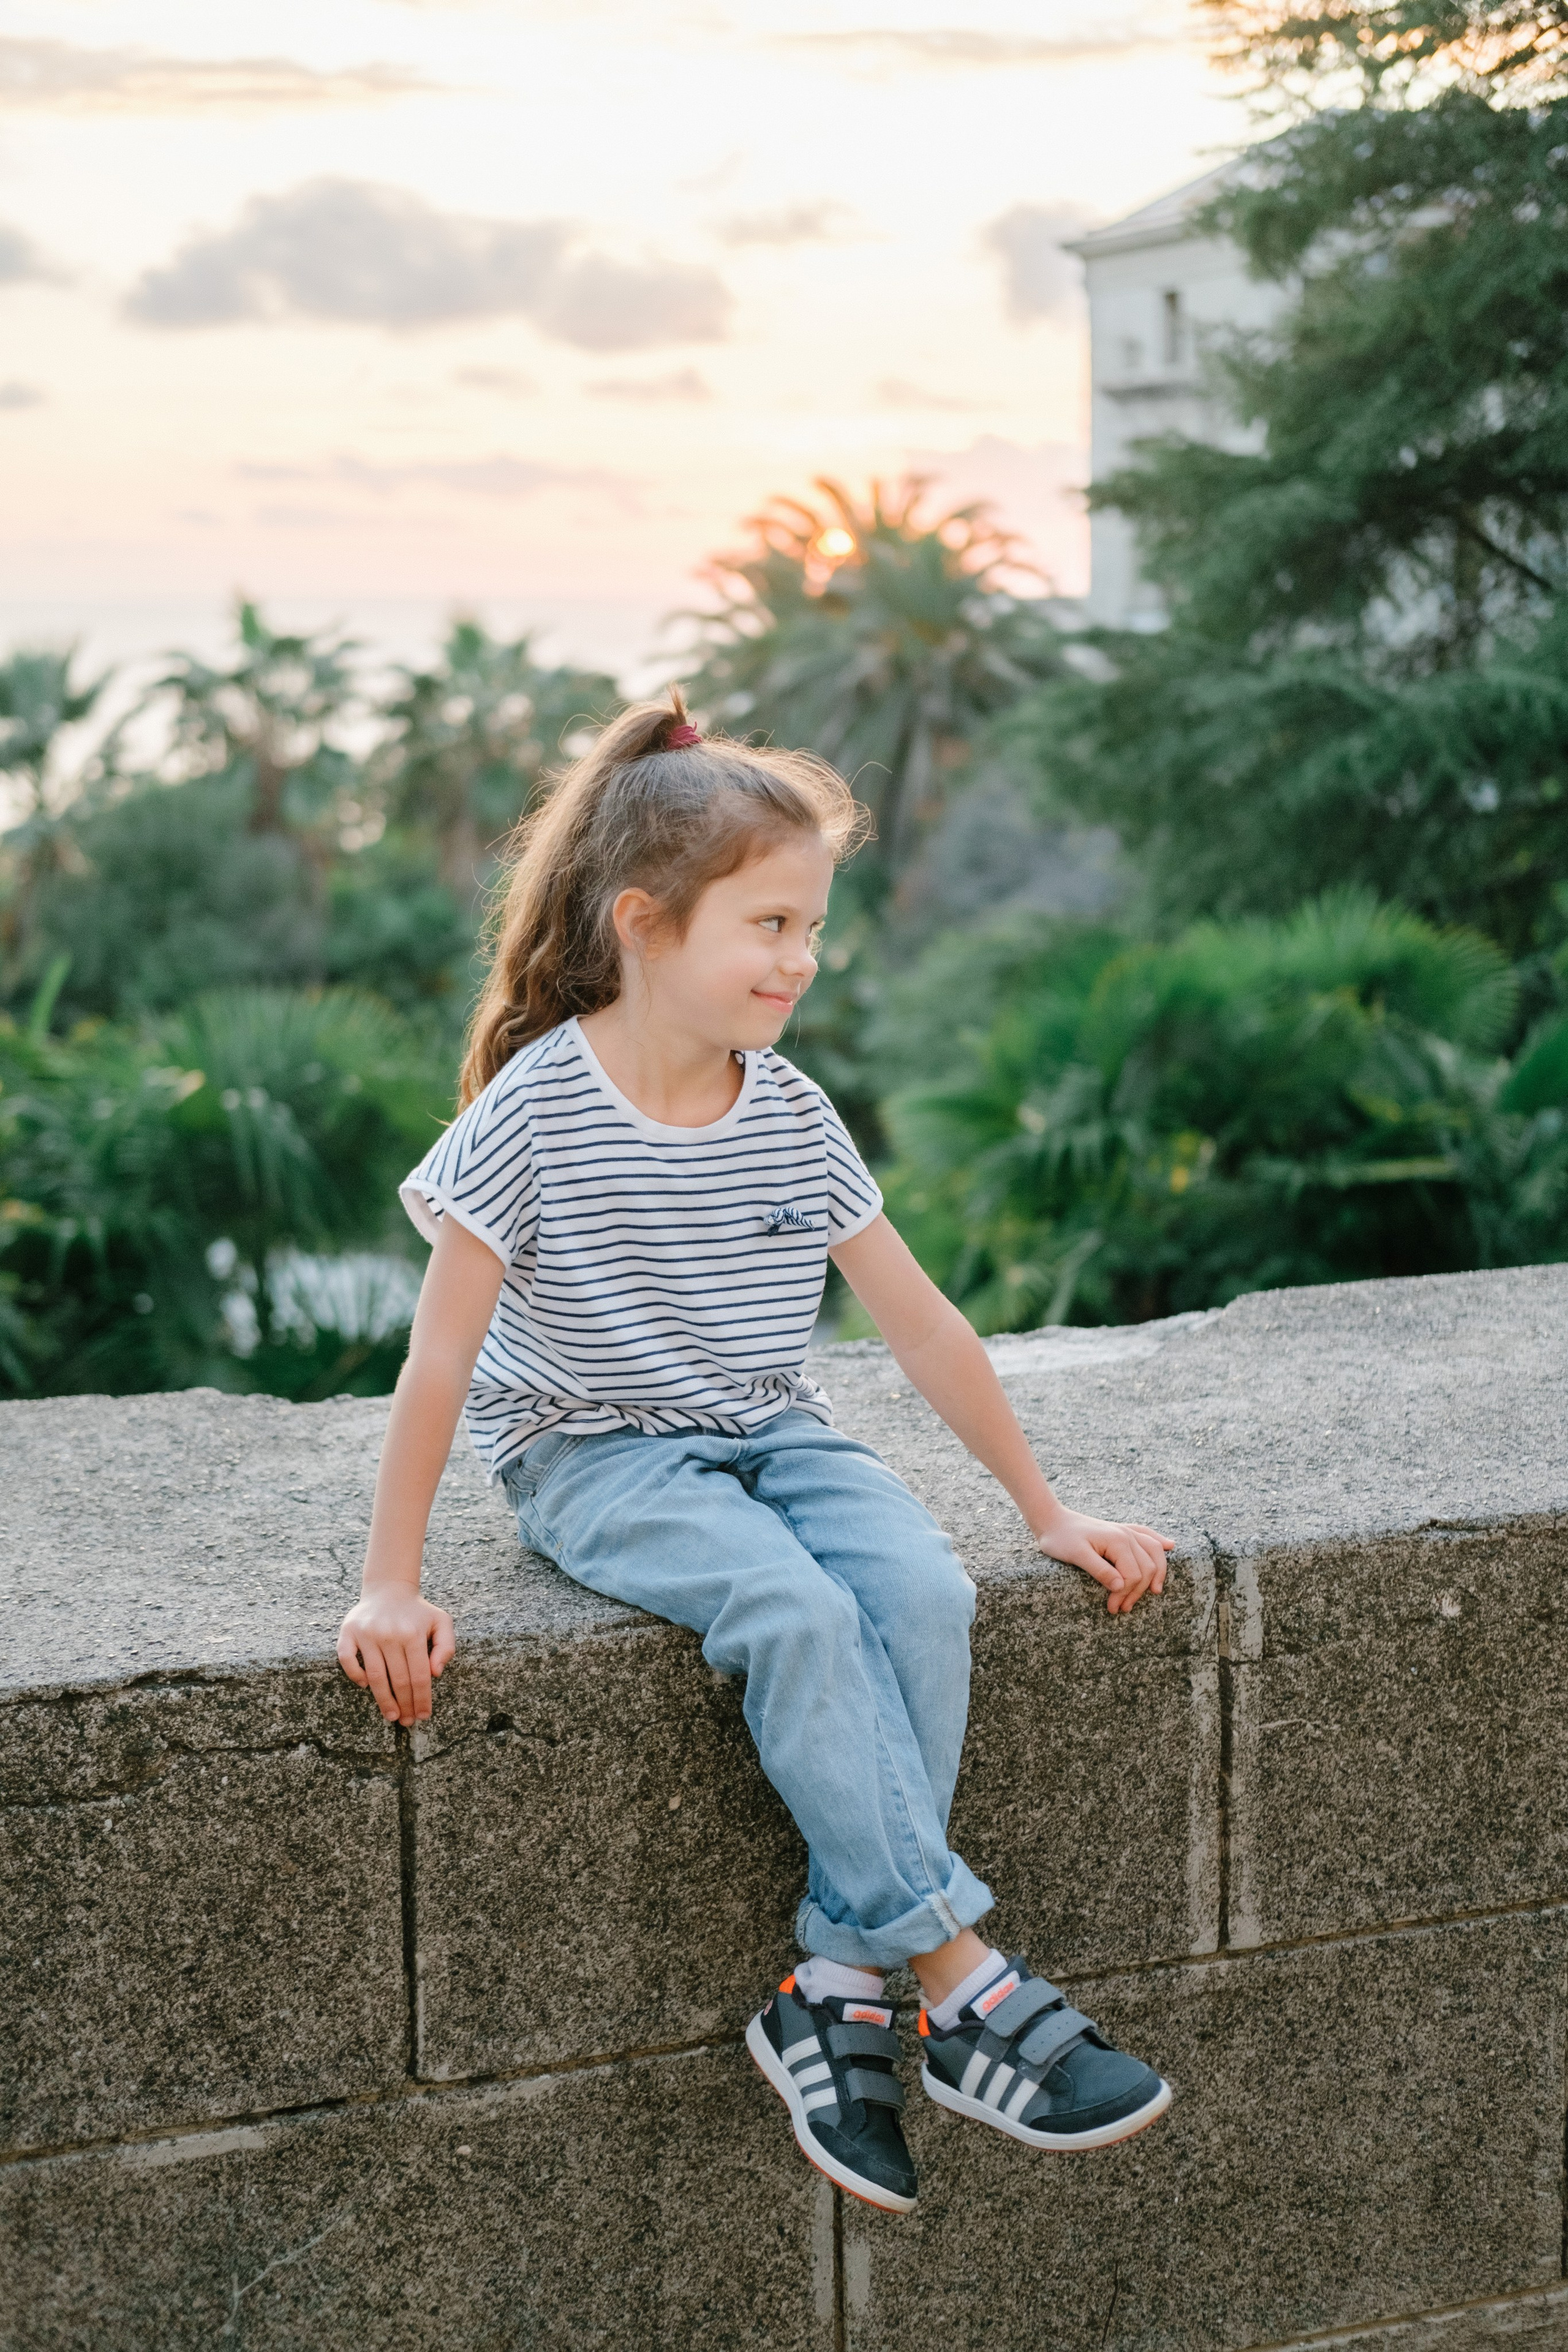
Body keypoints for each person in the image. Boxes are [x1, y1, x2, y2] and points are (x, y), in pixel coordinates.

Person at [337, 692, 1174, 2214]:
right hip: (593, 1456)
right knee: (791, 1614)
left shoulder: (786, 1109)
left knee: (919, 1592)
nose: (802, 960)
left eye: (814, 928)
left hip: (769, 1428)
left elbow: (920, 1324)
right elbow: (440, 1358)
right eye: (770, 925)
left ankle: (835, 1992)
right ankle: (959, 1981)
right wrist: (390, 1581)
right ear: (643, 924)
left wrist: (1042, 1509)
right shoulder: (536, 1112)